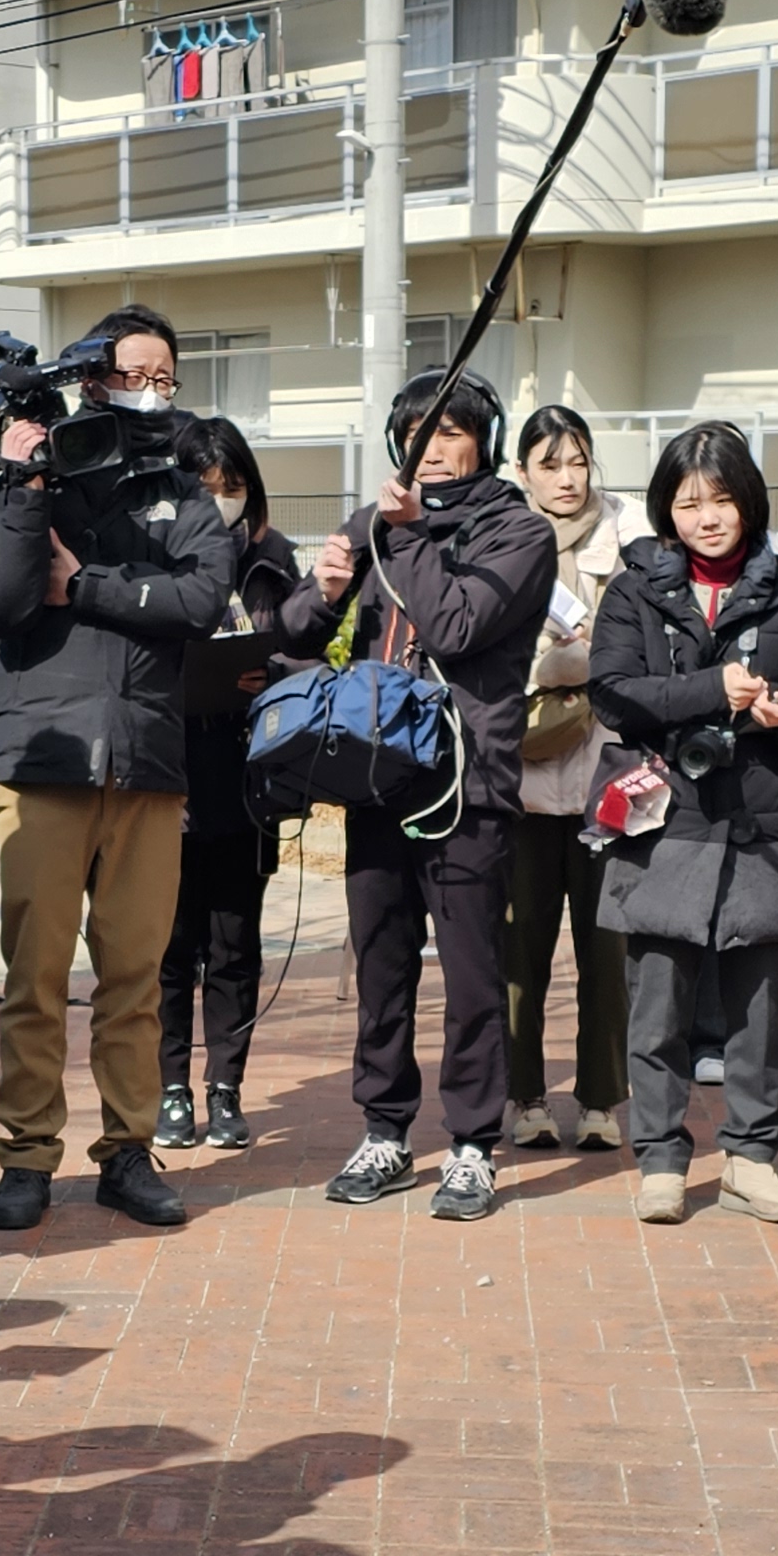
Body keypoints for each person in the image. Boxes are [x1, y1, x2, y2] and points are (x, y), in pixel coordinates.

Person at [0, 304, 236, 1230]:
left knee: (136, 976)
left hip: (150, 766)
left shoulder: (185, 494)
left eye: (166, 377)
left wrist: (84, 585)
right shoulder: (37, 480)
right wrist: (27, 480)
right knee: (32, 977)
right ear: (93, 377)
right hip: (44, 761)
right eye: (134, 374)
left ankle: (127, 1150)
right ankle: (27, 1157)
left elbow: (202, 598)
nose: (151, 392)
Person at [280, 366, 563, 1221]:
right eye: (419, 433)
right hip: (375, 775)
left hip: (466, 781)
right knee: (382, 963)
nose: (433, 451)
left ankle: (474, 1142)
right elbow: (293, 630)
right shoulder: (373, 526)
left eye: (451, 433)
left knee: (474, 972)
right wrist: (325, 589)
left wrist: (398, 537)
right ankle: (385, 1130)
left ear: (484, 442)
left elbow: (457, 625)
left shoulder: (518, 531)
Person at [589, 422, 778, 1225]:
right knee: (658, 1004)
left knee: (757, 1011)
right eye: (689, 502)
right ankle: (662, 1161)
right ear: (665, 510)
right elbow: (613, 692)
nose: (708, 517)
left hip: (758, 825)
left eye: (723, 500)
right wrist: (713, 690)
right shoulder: (634, 592)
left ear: (750, 502)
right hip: (662, 819)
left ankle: (750, 1160)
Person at [159, 415, 303, 1151]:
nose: (222, 501)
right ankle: (172, 1091)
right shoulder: (159, 555)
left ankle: (226, 1089)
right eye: (206, 487)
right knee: (170, 947)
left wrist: (268, 674)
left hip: (248, 776)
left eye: (234, 486)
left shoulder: (274, 559)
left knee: (235, 942)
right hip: (169, 773)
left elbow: (309, 651)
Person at [502, 401, 632, 1153]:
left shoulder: (632, 540)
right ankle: (523, 1096)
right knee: (519, 955)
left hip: (604, 781)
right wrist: (539, 671)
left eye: (577, 460)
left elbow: (647, 644)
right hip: (518, 783)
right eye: (549, 463)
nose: (567, 478)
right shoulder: (501, 539)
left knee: (606, 954)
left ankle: (601, 1100)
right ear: (523, 472)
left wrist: (594, 661)